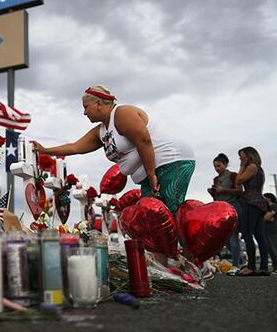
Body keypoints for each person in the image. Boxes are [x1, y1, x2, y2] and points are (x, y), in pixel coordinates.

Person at [30, 85, 195, 264]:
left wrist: (151, 173)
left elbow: (144, 140)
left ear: (99, 103)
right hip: (153, 170)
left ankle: (187, 261)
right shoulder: (102, 130)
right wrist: (45, 150)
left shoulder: (122, 114)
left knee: (169, 212)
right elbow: (75, 147)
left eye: (86, 107)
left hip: (171, 160)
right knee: (150, 219)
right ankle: (164, 267)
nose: (84, 113)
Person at [235, 147, 270, 276]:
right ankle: (264, 267)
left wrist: (241, 166)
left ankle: (251, 266)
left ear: (249, 156)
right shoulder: (258, 168)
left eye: (242, 156)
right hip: (258, 203)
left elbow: (238, 180)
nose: (240, 159)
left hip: (251, 202)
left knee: (247, 232)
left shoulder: (252, 167)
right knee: (259, 235)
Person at [207, 153, 243, 275]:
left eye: (219, 166)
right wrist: (213, 193)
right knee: (224, 238)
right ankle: (240, 260)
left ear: (225, 164)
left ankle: (236, 264)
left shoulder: (233, 176)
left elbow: (240, 191)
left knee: (233, 236)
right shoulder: (216, 180)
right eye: (215, 167)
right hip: (221, 209)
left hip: (233, 207)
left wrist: (224, 190)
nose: (217, 169)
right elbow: (216, 197)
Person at [262, 193, 277, 273]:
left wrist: (264, 217)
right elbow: (267, 218)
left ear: (269, 198)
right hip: (266, 231)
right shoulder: (265, 208)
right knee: (271, 251)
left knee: (275, 249)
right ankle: (275, 268)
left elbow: (265, 217)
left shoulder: (274, 206)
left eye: (264, 197)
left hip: (273, 231)